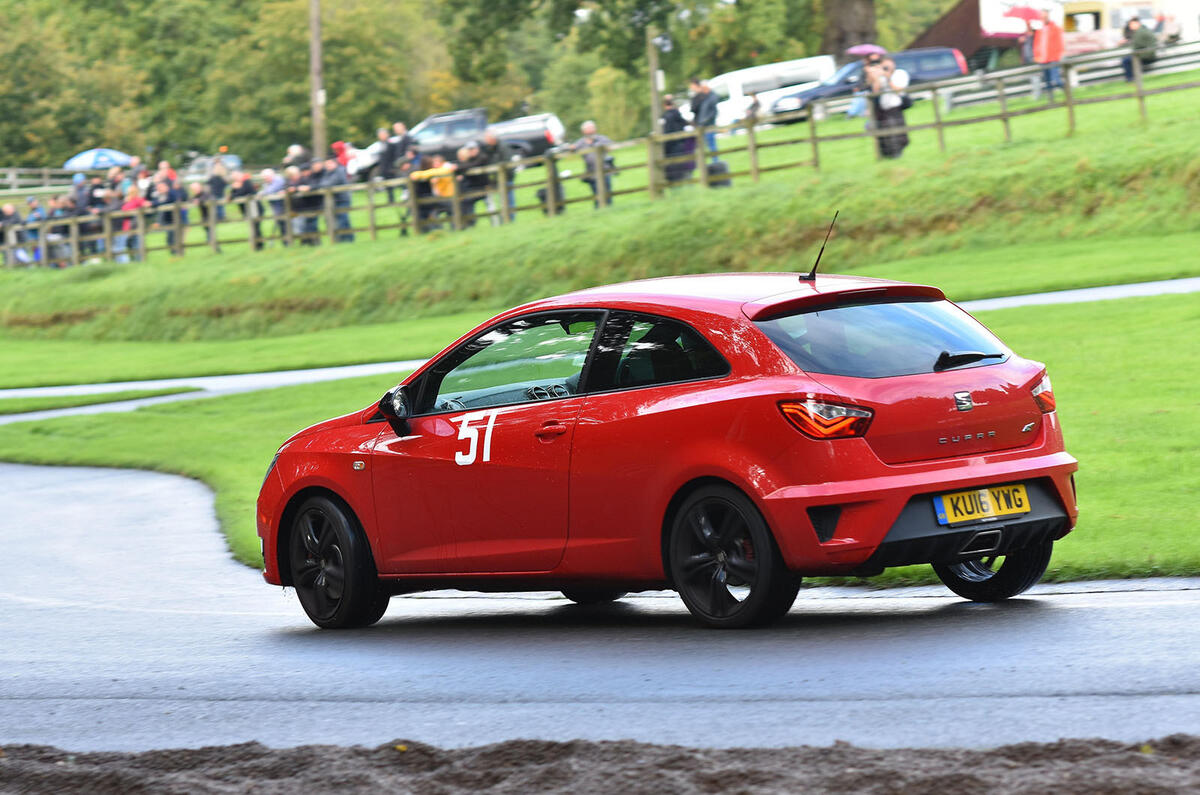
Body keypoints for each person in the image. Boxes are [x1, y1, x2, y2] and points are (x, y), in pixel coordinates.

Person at [864, 54, 911, 159]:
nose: (886, 69)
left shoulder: (900, 74)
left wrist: (887, 77)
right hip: (883, 110)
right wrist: (874, 78)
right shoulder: (880, 77)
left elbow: (899, 89)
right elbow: (875, 92)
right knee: (885, 137)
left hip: (895, 108)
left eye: (887, 67)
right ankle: (888, 157)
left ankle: (897, 155)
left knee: (899, 136)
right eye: (884, 66)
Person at [570, 120, 614, 207]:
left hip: (605, 169)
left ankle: (609, 208)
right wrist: (570, 148)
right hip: (591, 172)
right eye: (588, 129)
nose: (590, 130)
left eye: (592, 128)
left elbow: (612, 145)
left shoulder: (602, 139)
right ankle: (599, 209)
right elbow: (572, 149)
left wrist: (608, 148)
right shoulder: (581, 142)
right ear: (583, 131)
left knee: (607, 190)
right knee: (596, 193)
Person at [479, 130, 517, 225]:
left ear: (492, 139)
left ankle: (510, 221)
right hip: (496, 180)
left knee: (509, 201)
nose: (486, 141)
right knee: (501, 201)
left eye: (487, 139)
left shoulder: (503, 147)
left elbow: (507, 163)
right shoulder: (489, 149)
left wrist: (499, 172)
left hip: (506, 178)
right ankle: (504, 221)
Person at [660, 95, 693, 184]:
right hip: (682, 146)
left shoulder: (665, 118)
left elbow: (666, 133)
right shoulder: (679, 116)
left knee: (673, 169)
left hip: (671, 148)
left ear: (664, 105)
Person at [456, 141, 490, 226]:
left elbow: (473, 165)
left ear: (477, 149)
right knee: (466, 201)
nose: (471, 151)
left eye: (473, 149)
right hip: (473, 188)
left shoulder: (482, 157)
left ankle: (471, 222)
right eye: (469, 150)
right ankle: (469, 222)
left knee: (489, 204)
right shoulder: (469, 160)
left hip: (484, 187)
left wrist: (458, 168)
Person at [321, 156, 354, 242]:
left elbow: (330, 183)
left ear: (334, 163)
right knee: (337, 220)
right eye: (326, 164)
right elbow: (323, 183)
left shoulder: (340, 171)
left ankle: (348, 239)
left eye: (329, 163)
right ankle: (342, 239)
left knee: (343, 219)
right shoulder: (328, 173)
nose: (327, 166)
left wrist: (323, 185)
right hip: (334, 200)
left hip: (342, 199)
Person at [1033, 10, 1065, 99]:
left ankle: (1067, 92)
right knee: (1047, 81)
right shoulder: (1039, 31)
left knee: (1056, 79)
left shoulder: (1055, 28)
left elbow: (1060, 43)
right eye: (1042, 17)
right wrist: (1036, 56)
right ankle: (1051, 100)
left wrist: (1059, 54)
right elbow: (1036, 45)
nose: (1043, 19)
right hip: (1042, 59)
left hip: (1053, 58)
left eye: (1045, 17)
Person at [229, 170, 263, 249]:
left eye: (236, 178)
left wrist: (235, 189)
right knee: (253, 227)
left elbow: (241, 193)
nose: (235, 180)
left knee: (256, 227)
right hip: (248, 209)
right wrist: (234, 189)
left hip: (255, 208)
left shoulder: (246, 181)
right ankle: (256, 245)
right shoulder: (239, 184)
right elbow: (233, 195)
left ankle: (259, 245)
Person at [115, 186, 149, 262]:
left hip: (132, 226)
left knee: (136, 245)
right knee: (132, 245)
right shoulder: (127, 201)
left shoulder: (137, 200)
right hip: (128, 226)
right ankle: (135, 260)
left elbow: (146, 204)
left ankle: (138, 261)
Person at [689, 78, 720, 160]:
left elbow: (713, 112)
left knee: (711, 144)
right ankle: (707, 164)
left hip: (708, 124)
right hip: (702, 124)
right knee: (704, 145)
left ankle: (715, 162)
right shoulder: (705, 97)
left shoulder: (710, 97)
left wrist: (704, 121)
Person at [1121, 17, 1158, 81]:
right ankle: (1132, 77)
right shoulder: (1143, 29)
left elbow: (1135, 47)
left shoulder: (1140, 32)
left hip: (1147, 55)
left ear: (1137, 23)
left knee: (1125, 61)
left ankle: (1130, 79)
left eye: (1131, 24)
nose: (1130, 26)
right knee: (1126, 59)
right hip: (1149, 53)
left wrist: (1127, 42)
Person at [258, 168, 287, 244]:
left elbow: (270, 191)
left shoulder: (278, 180)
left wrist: (263, 193)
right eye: (263, 178)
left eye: (266, 178)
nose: (265, 180)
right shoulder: (267, 183)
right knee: (281, 224)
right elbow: (265, 191)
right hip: (276, 208)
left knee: (286, 225)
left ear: (271, 175)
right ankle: (286, 242)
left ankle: (288, 242)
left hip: (285, 207)